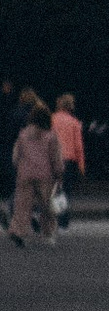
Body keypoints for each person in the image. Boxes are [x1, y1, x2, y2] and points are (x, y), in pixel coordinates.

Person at [11, 96, 61, 248]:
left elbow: (15, 156)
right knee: (47, 207)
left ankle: (19, 232)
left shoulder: (23, 134)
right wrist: (59, 173)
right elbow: (56, 158)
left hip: (25, 174)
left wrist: (18, 167)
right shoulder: (51, 136)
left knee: (22, 205)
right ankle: (48, 233)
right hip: (45, 175)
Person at [49, 94, 83, 232]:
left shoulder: (51, 120)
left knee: (51, 190)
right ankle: (63, 222)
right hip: (69, 160)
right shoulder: (74, 122)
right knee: (65, 192)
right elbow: (78, 146)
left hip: (53, 159)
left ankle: (48, 218)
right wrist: (81, 164)